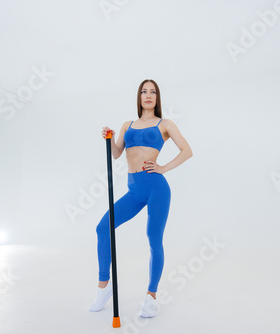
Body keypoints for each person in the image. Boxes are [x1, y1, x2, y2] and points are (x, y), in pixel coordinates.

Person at [90, 79, 193, 318]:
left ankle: (151, 296)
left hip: (156, 188)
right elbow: (116, 154)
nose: (148, 95)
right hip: (134, 190)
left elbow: (187, 150)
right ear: (139, 97)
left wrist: (163, 168)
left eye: (153, 92)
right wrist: (109, 137)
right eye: (144, 91)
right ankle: (103, 287)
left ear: (157, 98)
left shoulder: (165, 124)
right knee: (103, 228)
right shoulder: (127, 125)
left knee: (153, 239)